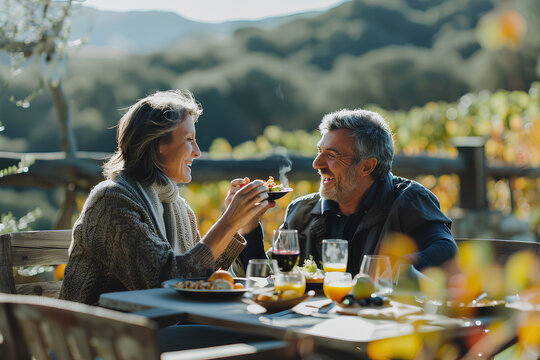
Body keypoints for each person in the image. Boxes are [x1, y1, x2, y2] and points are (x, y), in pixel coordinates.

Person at [59, 89, 274, 305]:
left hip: (150, 324)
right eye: (189, 139)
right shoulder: (111, 202)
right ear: (158, 144)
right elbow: (165, 280)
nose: (198, 151)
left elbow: (199, 277)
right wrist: (228, 222)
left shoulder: (178, 208)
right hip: (97, 332)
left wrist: (240, 222)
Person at [234, 108, 458, 277]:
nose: (316, 163)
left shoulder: (410, 200)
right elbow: (271, 281)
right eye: (319, 151)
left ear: (367, 166)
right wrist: (250, 228)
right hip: (314, 331)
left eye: (331, 155)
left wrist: (391, 270)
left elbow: (445, 251)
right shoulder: (301, 211)